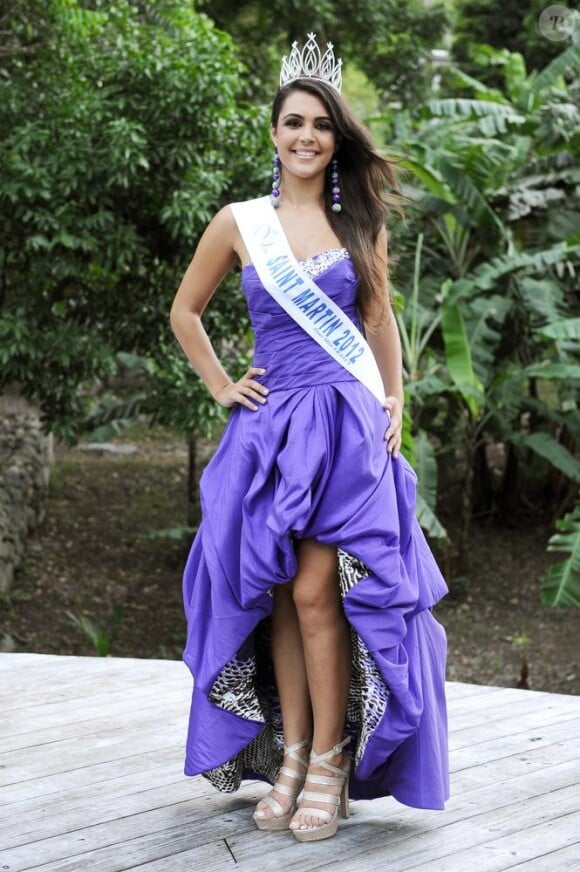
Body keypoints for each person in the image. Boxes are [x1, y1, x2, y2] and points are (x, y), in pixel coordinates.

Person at [170, 33, 449, 843]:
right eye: (293, 122)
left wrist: (394, 395)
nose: (306, 137)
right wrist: (222, 384)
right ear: (274, 133)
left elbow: (377, 319)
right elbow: (185, 311)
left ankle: (329, 760)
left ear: (336, 139)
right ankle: (290, 754)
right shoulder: (239, 223)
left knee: (318, 594)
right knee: (278, 598)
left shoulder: (356, 220)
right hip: (269, 430)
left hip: (344, 428)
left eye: (321, 126)